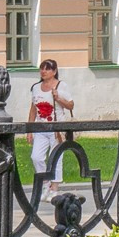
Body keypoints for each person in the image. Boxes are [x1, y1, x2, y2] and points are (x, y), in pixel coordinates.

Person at [28, 58, 75, 188]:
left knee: (56, 157)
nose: (43, 71)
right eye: (42, 68)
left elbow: (70, 105)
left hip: (57, 129)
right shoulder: (36, 88)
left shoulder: (61, 86)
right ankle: (45, 182)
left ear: (54, 71)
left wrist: (58, 97)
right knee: (36, 157)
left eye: (47, 69)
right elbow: (33, 109)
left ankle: (54, 187)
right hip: (41, 128)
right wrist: (30, 130)